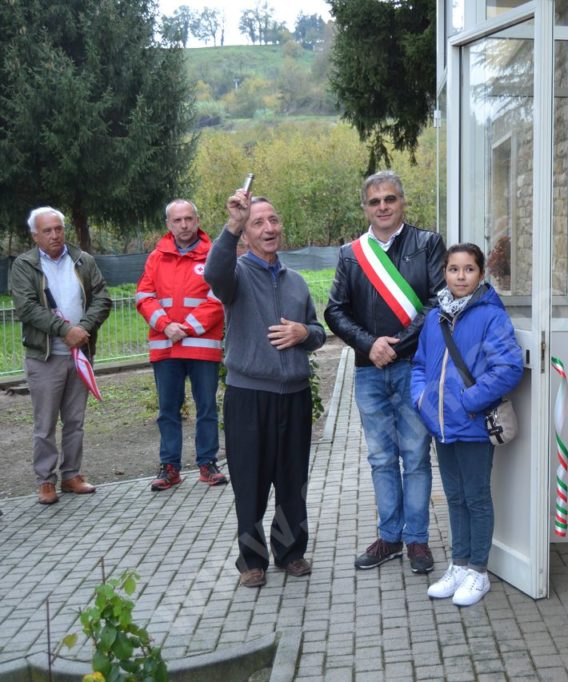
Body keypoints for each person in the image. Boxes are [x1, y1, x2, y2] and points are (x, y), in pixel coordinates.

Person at [324, 170, 446, 574]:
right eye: (375, 201)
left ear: (402, 202)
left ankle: (417, 541)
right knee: (380, 458)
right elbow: (334, 310)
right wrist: (369, 344)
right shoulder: (350, 254)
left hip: (413, 366)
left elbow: (435, 303)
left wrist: (395, 346)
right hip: (368, 369)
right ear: (365, 208)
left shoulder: (427, 244)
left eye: (390, 199)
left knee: (414, 456)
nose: (383, 207)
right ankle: (390, 537)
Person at [204, 190, 326, 588]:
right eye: (258, 223)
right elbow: (213, 274)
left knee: (292, 482)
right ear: (246, 234)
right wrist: (231, 225)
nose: (269, 228)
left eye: (272, 220)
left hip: (294, 396)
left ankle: (290, 552)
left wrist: (303, 332)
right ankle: (251, 560)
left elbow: (319, 332)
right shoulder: (235, 277)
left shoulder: (296, 281)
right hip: (248, 396)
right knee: (249, 482)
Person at [411, 243, 523, 606]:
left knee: (476, 497)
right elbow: (419, 365)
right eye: (454, 269)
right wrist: (422, 400)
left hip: (472, 425)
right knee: (455, 497)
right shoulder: (435, 317)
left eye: (469, 269)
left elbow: (507, 368)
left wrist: (468, 401)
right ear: (444, 272)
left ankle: (478, 570)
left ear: (481, 274)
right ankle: (458, 564)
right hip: (441, 426)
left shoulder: (491, 316)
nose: (461, 276)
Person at [10, 207, 112, 505]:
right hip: (45, 358)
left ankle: (71, 475)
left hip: (79, 354)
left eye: (58, 228)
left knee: (75, 420)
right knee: (45, 424)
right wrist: (63, 330)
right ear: (35, 235)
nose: (54, 235)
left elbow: (102, 298)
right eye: (47, 231)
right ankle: (45, 480)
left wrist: (83, 328)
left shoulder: (83, 260)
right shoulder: (24, 266)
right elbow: (26, 307)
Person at [136, 199, 227, 492]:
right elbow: (144, 297)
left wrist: (184, 328)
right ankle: (170, 467)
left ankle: (207, 463)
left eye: (189, 218)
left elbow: (219, 298)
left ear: (197, 219)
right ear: (168, 224)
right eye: (178, 220)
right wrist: (166, 326)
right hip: (166, 347)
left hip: (201, 346)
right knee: (167, 410)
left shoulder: (214, 255)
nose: (184, 225)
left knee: (206, 407)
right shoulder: (156, 258)